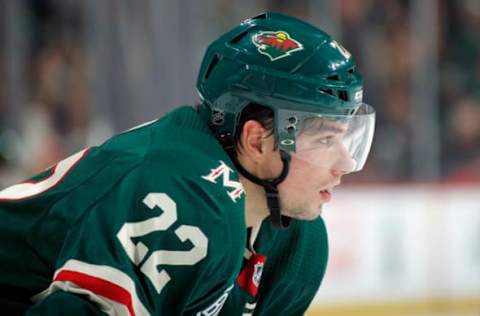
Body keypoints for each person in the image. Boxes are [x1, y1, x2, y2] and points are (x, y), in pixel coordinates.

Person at [0, 12, 375, 315]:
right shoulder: (185, 199)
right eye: (325, 139)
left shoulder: (297, 243)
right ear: (256, 141)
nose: (344, 162)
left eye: (346, 138)